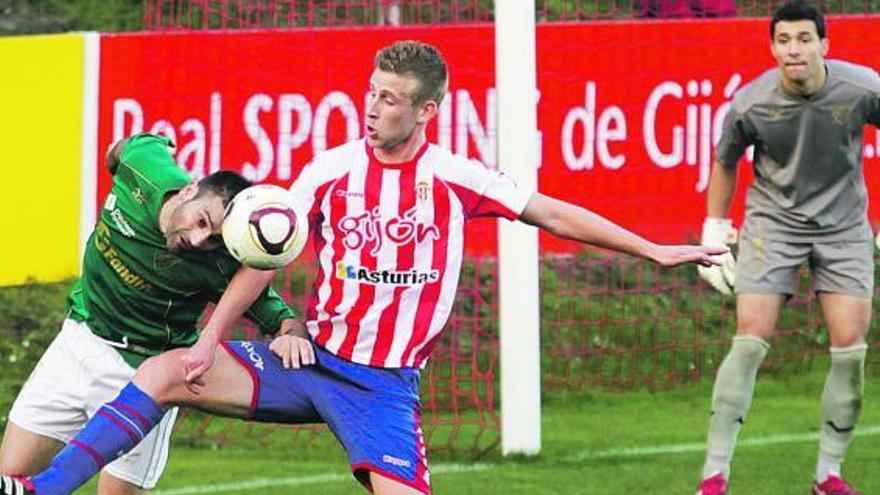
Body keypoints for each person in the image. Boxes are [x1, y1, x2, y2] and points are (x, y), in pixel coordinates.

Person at [0, 41, 725, 495]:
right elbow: (261, 257)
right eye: (371, 91)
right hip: (311, 357)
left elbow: (554, 214)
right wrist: (210, 339)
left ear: (428, 110)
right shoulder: (329, 170)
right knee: (163, 370)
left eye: (389, 98)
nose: (371, 106)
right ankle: (41, 489)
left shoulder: (455, 178)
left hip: (381, 389)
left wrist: (655, 248)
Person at [0, 133, 310, 495]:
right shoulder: (145, 165)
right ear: (190, 189)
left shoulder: (222, 266)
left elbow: (283, 318)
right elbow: (122, 151)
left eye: (213, 238)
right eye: (201, 221)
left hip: (143, 379)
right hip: (75, 344)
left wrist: (292, 334)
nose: (197, 241)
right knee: (10, 478)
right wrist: (115, 157)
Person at [694, 2, 880, 494]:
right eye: (783, 40)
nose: (793, 50)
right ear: (772, 46)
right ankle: (714, 475)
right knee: (751, 336)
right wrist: (714, 227)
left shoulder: (862, 90)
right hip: (772, 226)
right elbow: (726, 161)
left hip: (844, 228)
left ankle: (829, 476)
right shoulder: (751, 102)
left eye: (803, 39)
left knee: (849, 347)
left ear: (824, 45)